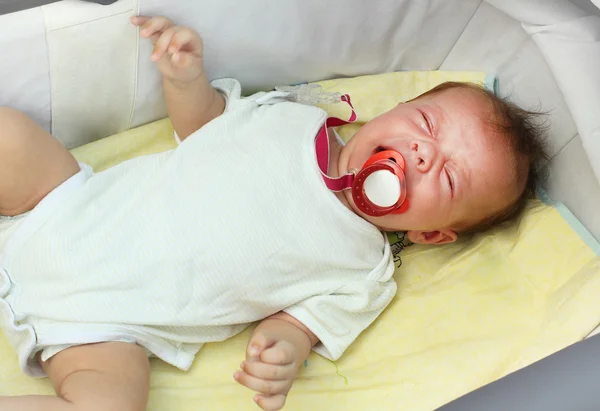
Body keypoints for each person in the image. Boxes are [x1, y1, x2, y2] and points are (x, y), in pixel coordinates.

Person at [0, 15, 547, 411]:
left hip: (105, 329)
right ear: (394, 110)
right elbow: (205, 127)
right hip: (58, 205)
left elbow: (296, 327)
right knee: (11, 139)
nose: (424, 154)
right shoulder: (291, 119)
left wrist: (282, 351)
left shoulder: (364, 272)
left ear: (430, 234)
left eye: (448, 177)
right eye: (425, 126)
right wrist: (185, 80)